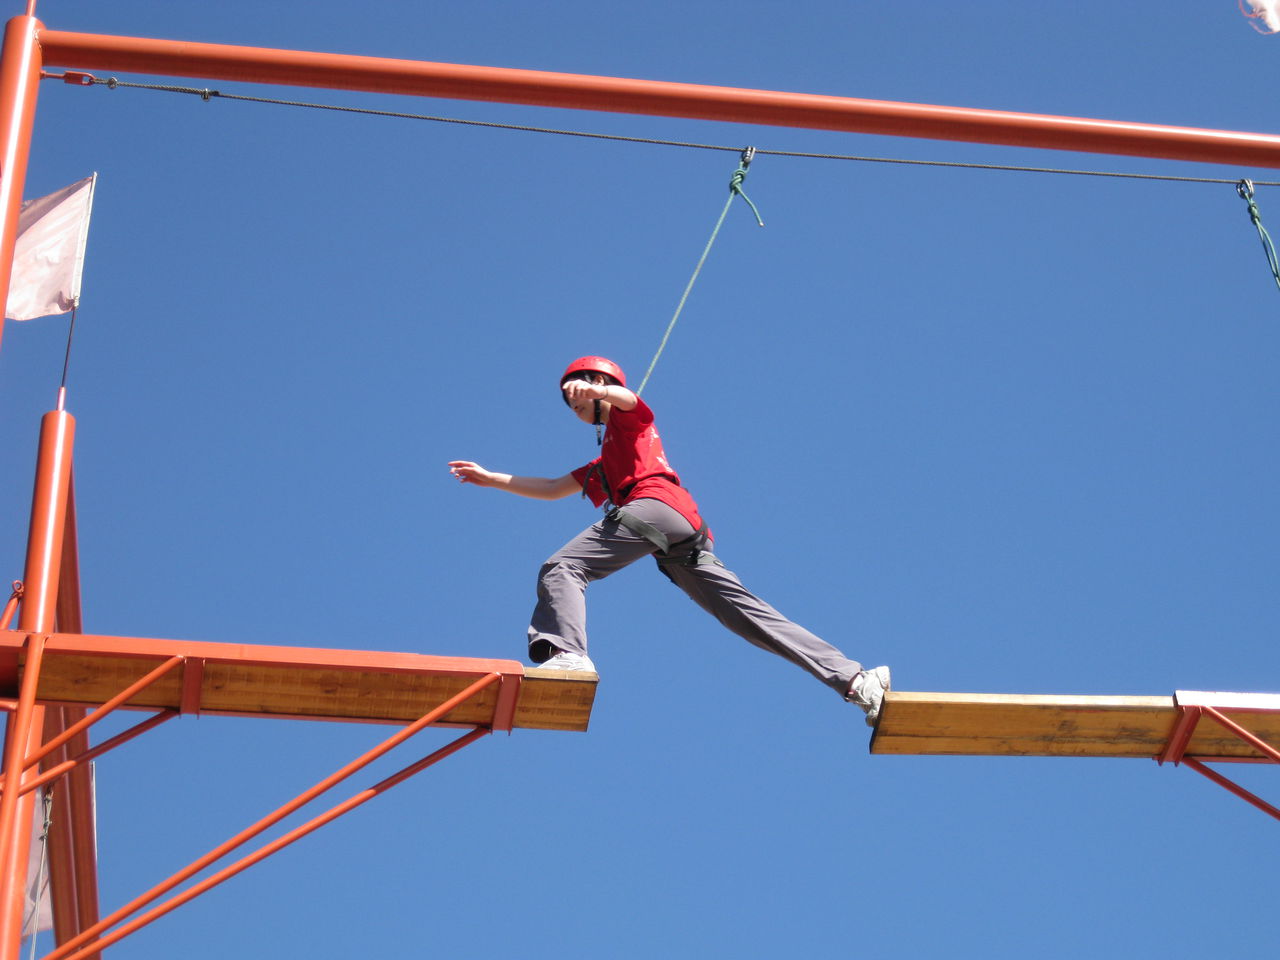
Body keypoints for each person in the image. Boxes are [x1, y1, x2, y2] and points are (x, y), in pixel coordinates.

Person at [447, 356, 890, 725]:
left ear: (599, 383)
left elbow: (630, 399)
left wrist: (600, 391)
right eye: (570, 399)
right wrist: (492, 479)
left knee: (561, 567)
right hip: (683, 541)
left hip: (657, 509)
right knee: (750, 619)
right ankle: (856, 681)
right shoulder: (605, 462)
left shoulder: (627, 420)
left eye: (576, 394)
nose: (574, 403)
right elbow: (550, 487)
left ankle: (569, 656)